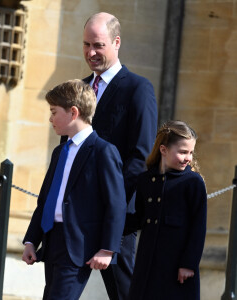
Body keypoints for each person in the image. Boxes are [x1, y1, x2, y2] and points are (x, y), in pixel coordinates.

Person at [22, 79, 127, 300]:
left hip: (78, 245)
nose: (50, 118)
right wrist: (31, 240)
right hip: (52, 241)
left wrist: (107, 249)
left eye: (54, 112)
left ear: (73, 112)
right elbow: (46, 200)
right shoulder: (60, 152)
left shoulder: (103, 151)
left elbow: (116, 204)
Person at [82, 12, 158, 300]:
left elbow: (140, 156)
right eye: (86, 44)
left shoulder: (138, 88)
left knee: (124, 290)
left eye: (98, 45)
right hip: (77, 212)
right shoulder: (80, 88)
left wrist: (113, 204)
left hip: (117, 213)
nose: (91, 52)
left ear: (116, 43)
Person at [126, 120, 207, 300]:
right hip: (147, 264)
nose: (188, 158)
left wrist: (188, 264)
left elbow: (198, 228)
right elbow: (139, 218)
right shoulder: (146, 180)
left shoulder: (193, 182)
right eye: (183, 152)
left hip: (177, 266)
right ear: (163, 150)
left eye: (191, 152)